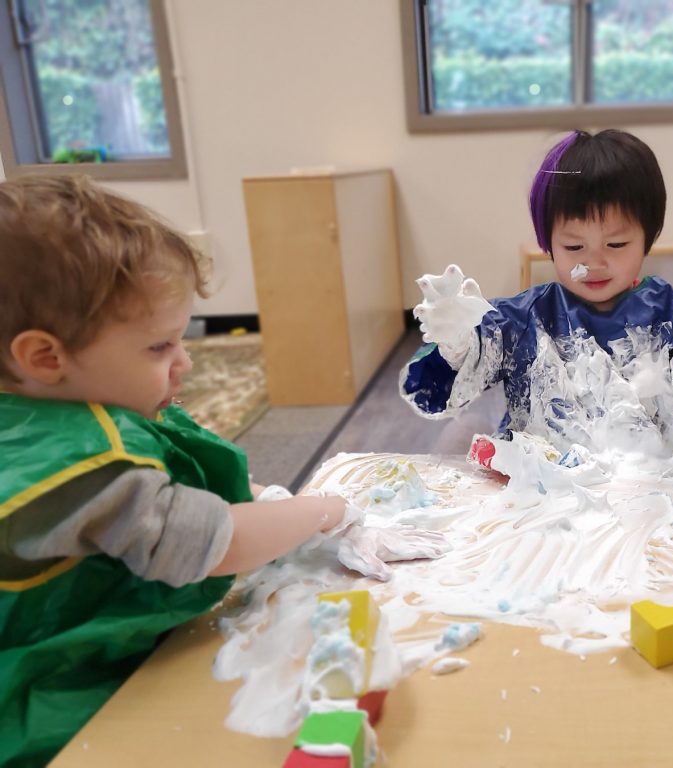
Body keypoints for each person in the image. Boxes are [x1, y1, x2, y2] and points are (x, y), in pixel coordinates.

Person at [0, 175, 443, 767]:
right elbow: (216, 543)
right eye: (159, 348)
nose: (185, 363)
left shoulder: (49, 408)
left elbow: (186, 487)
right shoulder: (82, 468)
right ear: (45, 358)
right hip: (44, 699)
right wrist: (327, 510)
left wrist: (266, 497)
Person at [400, 129, 673, 456]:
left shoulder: (670, 314)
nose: (594, 263)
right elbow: (461, 376)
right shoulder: (526, 317)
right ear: (549, 245)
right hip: (544, 483)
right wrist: (457, 342)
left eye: (617, 244)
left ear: (648, 238)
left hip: (651, 481)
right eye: (574, 247)